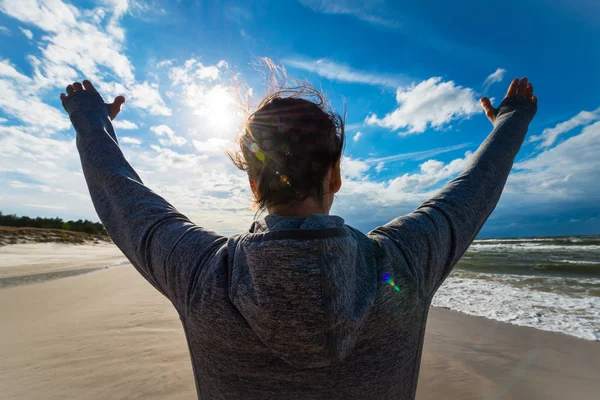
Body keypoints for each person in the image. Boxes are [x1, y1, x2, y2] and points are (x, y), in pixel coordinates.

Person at [60, 75, 537, 399]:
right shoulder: (402, 264)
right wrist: (512, 117)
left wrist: (91, 118)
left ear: (252, 183)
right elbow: (472, 190)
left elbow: (123, 196)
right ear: (335, 176)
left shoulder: (202, 273)